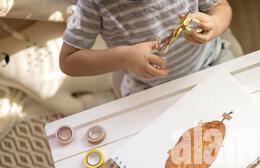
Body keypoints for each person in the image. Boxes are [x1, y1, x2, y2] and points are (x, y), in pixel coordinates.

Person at [59, 0, 232, 96]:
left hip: (211, 60)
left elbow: (221, 7)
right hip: (149, 89)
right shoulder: (91, 5)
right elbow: (68, 60)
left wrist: (215, 23)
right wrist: (124, 57)